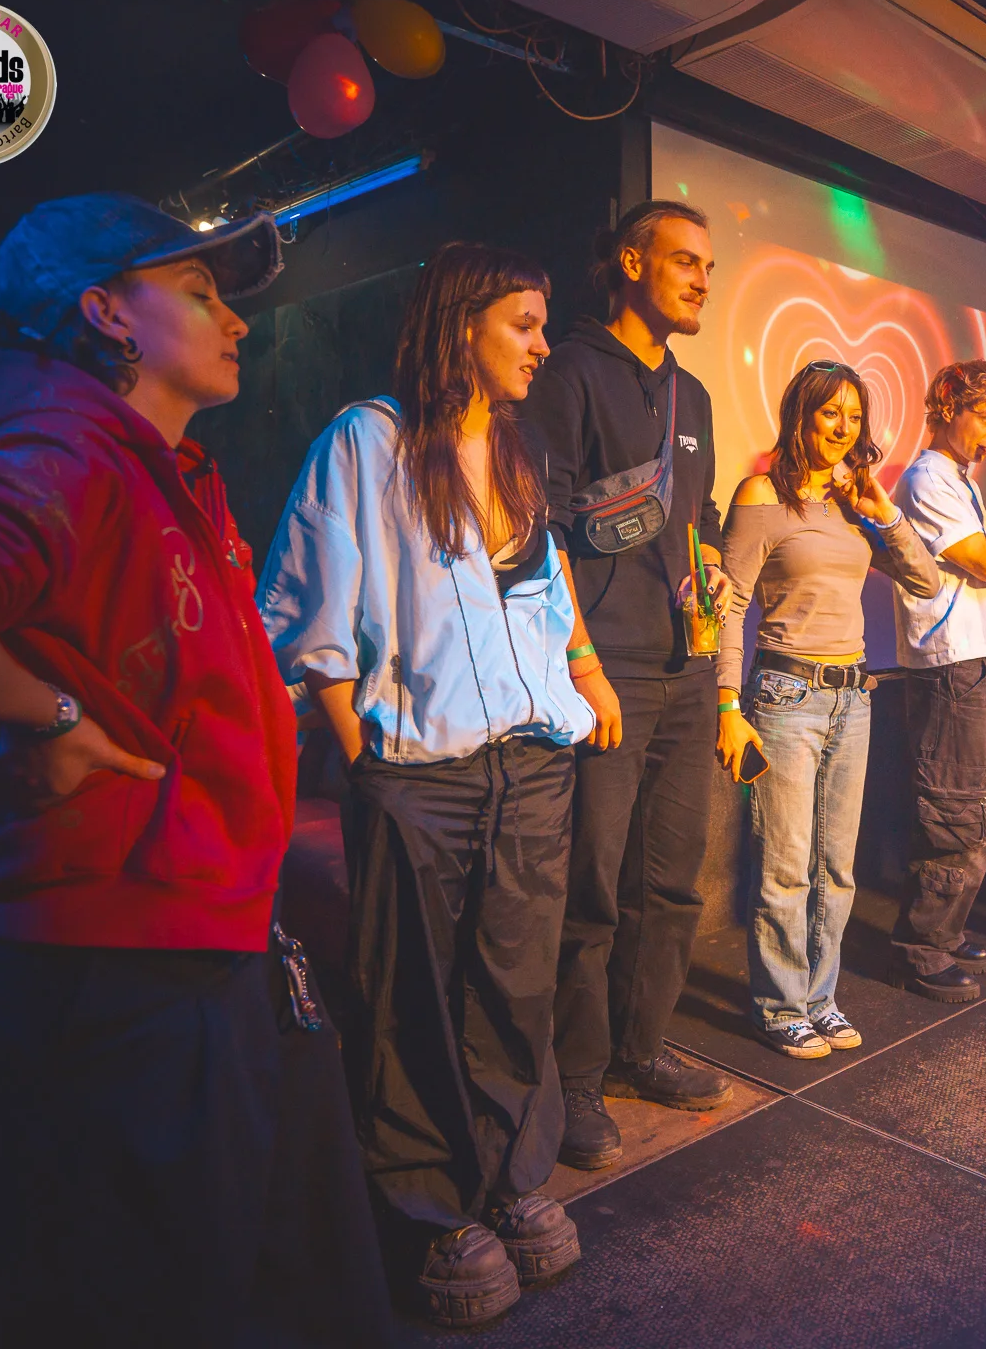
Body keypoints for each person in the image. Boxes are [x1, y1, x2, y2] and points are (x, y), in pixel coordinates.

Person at [0, 194, 393, 1344]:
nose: (238, 320)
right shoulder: (67, 453)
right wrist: (49, 714)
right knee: (137, 1300)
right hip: (120, 967)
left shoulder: (162, 471)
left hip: (196, 939)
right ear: (107, 312)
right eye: (200, 293)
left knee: (223, 1281)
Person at [260, 243, 592, 1328]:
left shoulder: (520, 450)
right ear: (462, 325)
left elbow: (543, 594)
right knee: (413, 995)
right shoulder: (369, 439)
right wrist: (361, 753)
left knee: (515, 985)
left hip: (529, 764)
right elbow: (306, 608)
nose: (541, 346)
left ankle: (508, 1178)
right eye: (523, 324)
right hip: (418, 772)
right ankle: (429, 1208)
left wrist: (578, 683)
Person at [519, 200, 736, 1171]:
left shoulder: (694, 394)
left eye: (709, 266)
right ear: (632, 262)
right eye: (686, 261)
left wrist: (711, 578)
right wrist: (584, 664)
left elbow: (697, 522)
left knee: (671, 880)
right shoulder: (569, 371)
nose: (702, 281)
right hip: (607, 671)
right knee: (593, 886)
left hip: (687, 666)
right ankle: (574, 1076)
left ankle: (639, 1050)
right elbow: (544, 528)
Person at [715, 361, 940, 1056]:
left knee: (837, 870)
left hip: (854, 696)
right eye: (830, 412)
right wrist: (727, 703)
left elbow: (926, 580)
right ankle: (781, 1005)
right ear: (801, 416)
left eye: (854, 415)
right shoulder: (761, 495)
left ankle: (821, 998)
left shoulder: (852, 506)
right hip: (785, 696)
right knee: (784, 865)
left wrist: (882, 511)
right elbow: (731, 605)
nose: (844, 428)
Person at [885, 360, 986, 1003]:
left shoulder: (960, 479)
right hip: (954, 663)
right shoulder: (927, 479)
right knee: (953, 810)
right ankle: (920, 948)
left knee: (980, 807)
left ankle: (945, 930)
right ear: (948, 406)